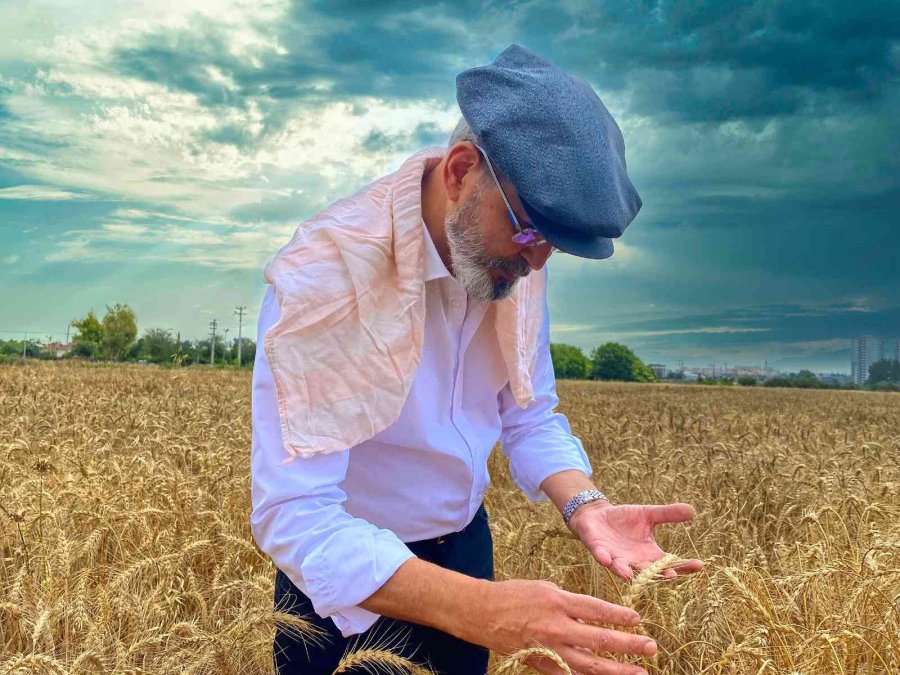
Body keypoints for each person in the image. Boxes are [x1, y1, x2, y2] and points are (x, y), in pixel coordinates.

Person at [250, 44, 704, 675]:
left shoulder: (511, 256)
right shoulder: (326, 272)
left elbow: (529, 410)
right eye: (529, 230)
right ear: (460, 170)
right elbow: (294, 515)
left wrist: (587, 506)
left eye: (554, 245)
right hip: (349, 583)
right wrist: (483, 611)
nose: (537, 262)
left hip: (465, 549)